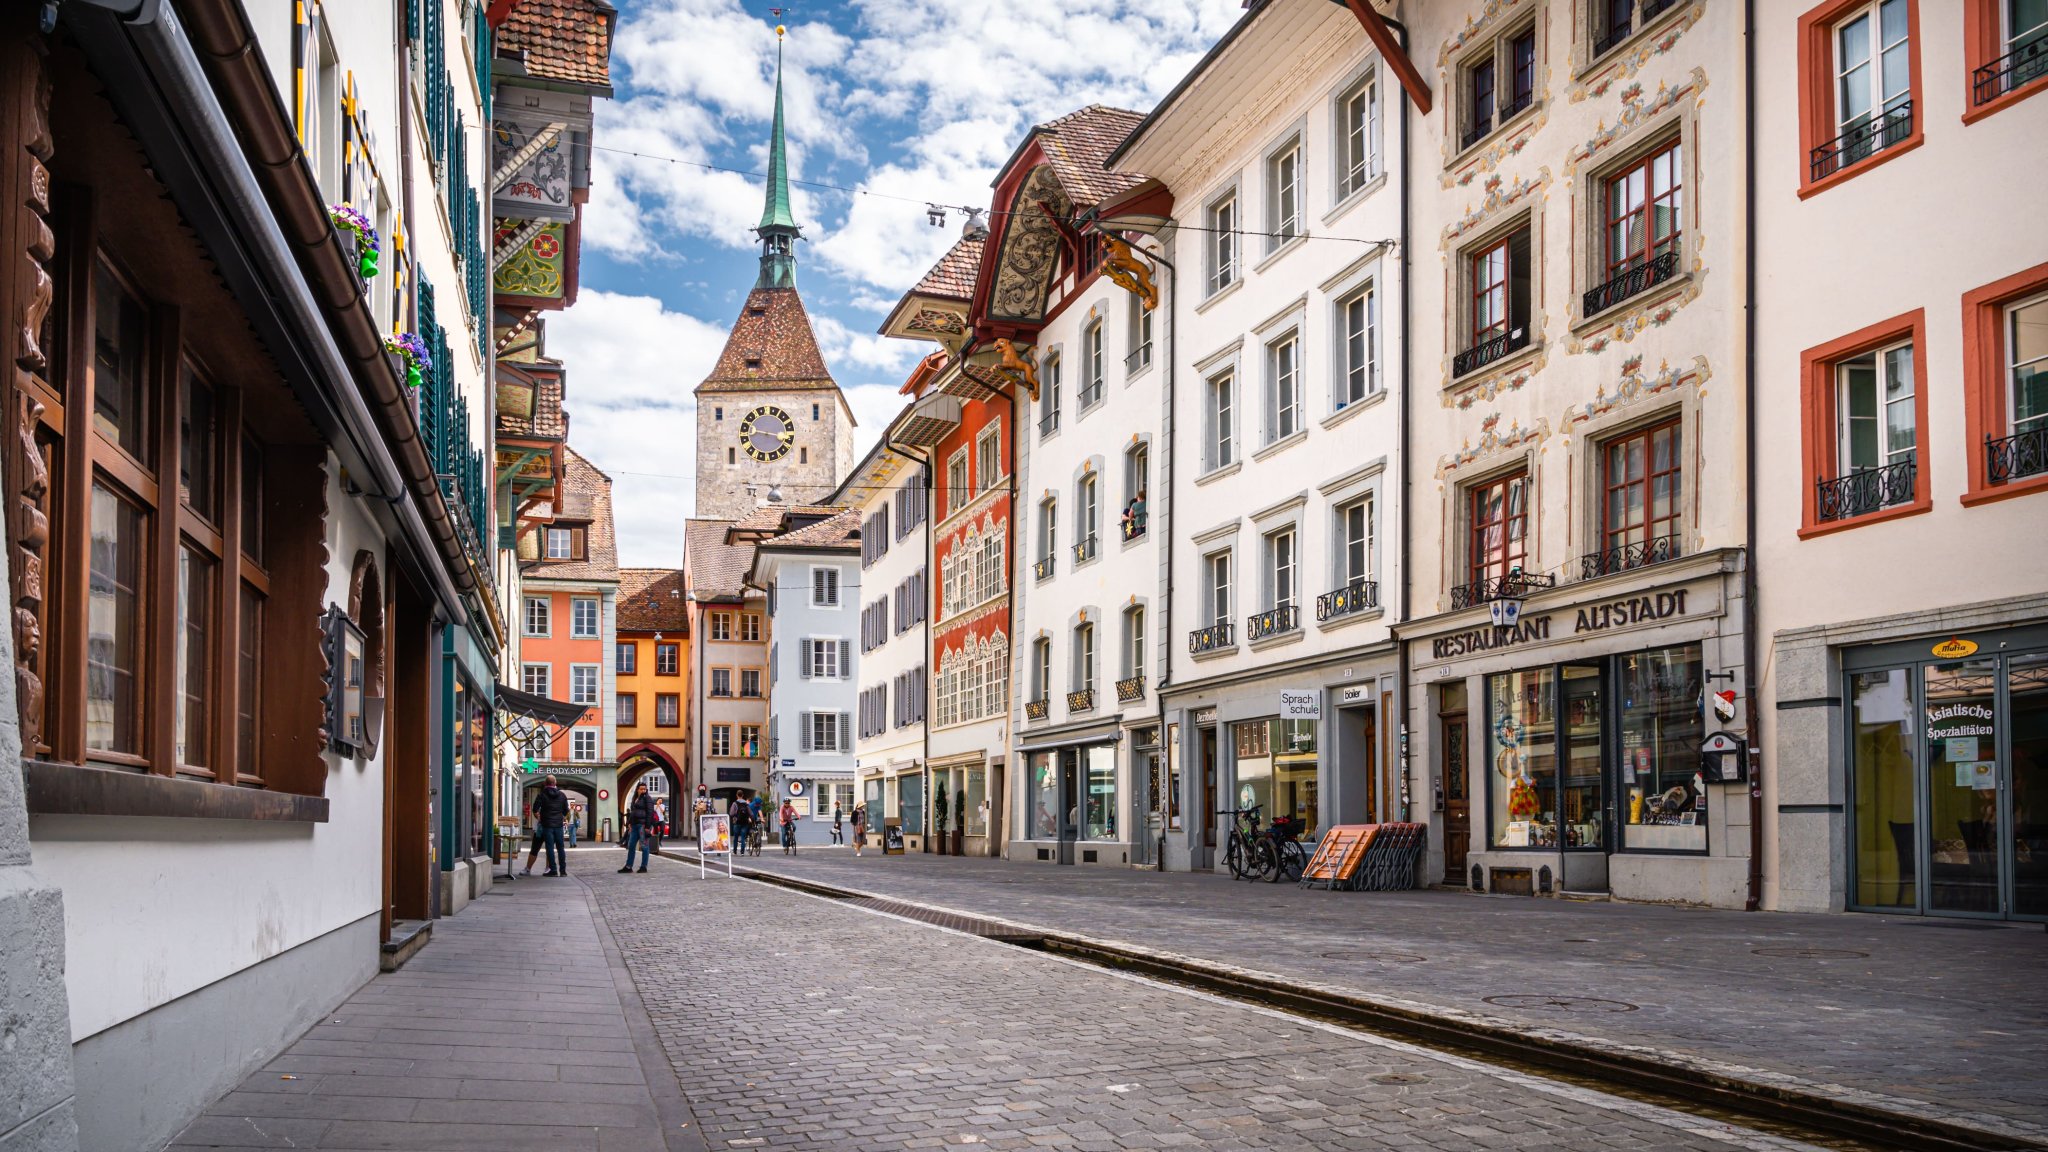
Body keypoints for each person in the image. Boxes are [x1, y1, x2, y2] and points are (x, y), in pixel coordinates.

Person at [532, 776, 571, 876]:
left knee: (549, 848)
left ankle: (553, 870)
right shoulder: (562, 795)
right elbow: (566, 810)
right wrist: (560, 816)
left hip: (547, 825)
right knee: (560, 848)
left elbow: (535, 809)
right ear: (555, 783)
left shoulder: (542, 795)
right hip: (558, 825)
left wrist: (539, 817)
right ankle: (563, 871)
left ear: (545, 783)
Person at [618, 782, 657, 874]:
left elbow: (650, 812)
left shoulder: (647, 798)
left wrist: (647, 827)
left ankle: (643, 867)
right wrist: (629, 823)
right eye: (641, 789)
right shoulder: (635, 798)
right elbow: (633, 812)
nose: (643, 790)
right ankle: (628, 866)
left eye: (645, 789)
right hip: (635, 825)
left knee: (644, 846)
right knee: (631, 845)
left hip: (643, 825)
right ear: (637, 789)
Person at [728, 792, 754, 857]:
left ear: (737, 795)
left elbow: (731, 813)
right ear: (743, 795)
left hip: (737, 822)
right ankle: (742, 852)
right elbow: (751, 813)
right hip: (745, 822)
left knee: (736, 837)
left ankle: (735, 851)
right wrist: (751, 819)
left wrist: (735, 816)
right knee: (743, 837)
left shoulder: (735, 803)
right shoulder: (746, 804)